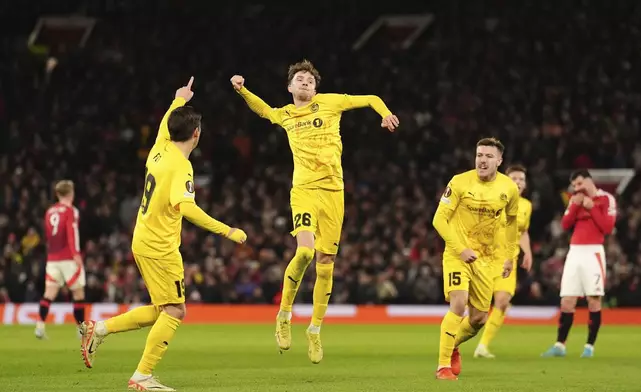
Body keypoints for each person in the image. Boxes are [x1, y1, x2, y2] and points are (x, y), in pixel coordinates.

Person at [78, 77, 247, 391]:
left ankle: (97, 328)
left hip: (142, 238)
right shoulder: (181, 166)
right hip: (160, 245)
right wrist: (228, 230)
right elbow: (187, 207)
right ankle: (142, 376)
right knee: (175, 310)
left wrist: (178, 99)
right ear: (196, 133)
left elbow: (164, 125)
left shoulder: (158, 148)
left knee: (161, 308)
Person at [231, 59, 399, 364]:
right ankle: (284, 314)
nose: (305, 82)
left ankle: (315, 330)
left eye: (310, 79)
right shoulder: (286, 114)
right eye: (300, 79)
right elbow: (264, 110)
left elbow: (371, 98)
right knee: (305, 252)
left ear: (315, 87)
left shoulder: (331, 102)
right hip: (305, 191)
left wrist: (385, 114)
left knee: (327, 263)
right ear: (290, 87)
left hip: (334, 193)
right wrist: (243, 90)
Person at [432, 137, 519, 381]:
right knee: (458, 305)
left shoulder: (508, 188)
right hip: (457, 254)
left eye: (489, 156)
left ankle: (453, 345)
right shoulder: (459, 182)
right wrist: (460, 249)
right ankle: (442, 368)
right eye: (479, 155)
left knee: (479, 318)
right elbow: (439, 220)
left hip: (485, 259)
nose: (482, 160)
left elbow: (512, 223)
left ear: (499, 161)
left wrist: (510, 256)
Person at [542, 169, 616, 358]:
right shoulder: (575, 199)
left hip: (593, 252)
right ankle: (560, 345)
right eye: (574, 185)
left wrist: (591, 208)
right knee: (567, 300)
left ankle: (589, 347)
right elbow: (565, 224)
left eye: (579, 184)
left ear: (589, 181)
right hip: (574, 252)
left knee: (593, 298)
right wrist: (575, 206)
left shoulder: (606, 199)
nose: (577, 188)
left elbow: (607, 228)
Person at [474, 164, 533, 358]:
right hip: (484, 257)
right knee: (477, 309)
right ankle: (455, 340)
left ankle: (483, 346)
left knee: (502, 301)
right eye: (514, 178)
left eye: (521, 179)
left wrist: (528, 252)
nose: (518, 182)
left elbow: (522, 231)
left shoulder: (526, 205)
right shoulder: (492, 197)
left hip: (508, 260)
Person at [37, 180, 85, 339]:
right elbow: (71, 233)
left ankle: (40, 327)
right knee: (78, 293)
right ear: (71, 193)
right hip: (68, 258)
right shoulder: (71, 211)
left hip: (52, 258)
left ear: (57, 194)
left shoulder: (49, 211)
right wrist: (76, 254)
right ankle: (81, 330)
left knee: (49, 293)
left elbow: (49, 236)